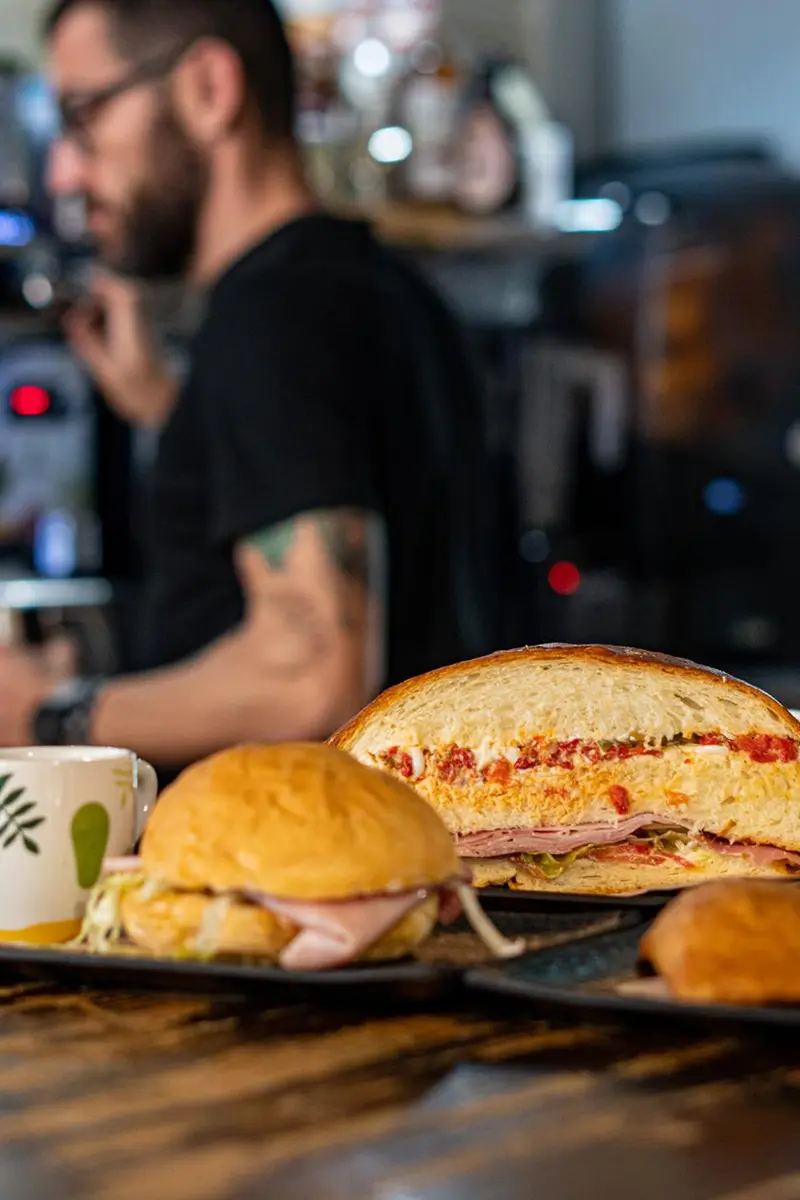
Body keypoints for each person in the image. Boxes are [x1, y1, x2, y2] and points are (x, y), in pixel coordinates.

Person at [0, 0, 496, 772]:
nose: (66, 168)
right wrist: (169, 407)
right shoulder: (382, 287)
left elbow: (310, 676)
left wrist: (50, 713)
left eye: (83, 115)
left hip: (302, 868)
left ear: (207, 88)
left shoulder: (272, 315)